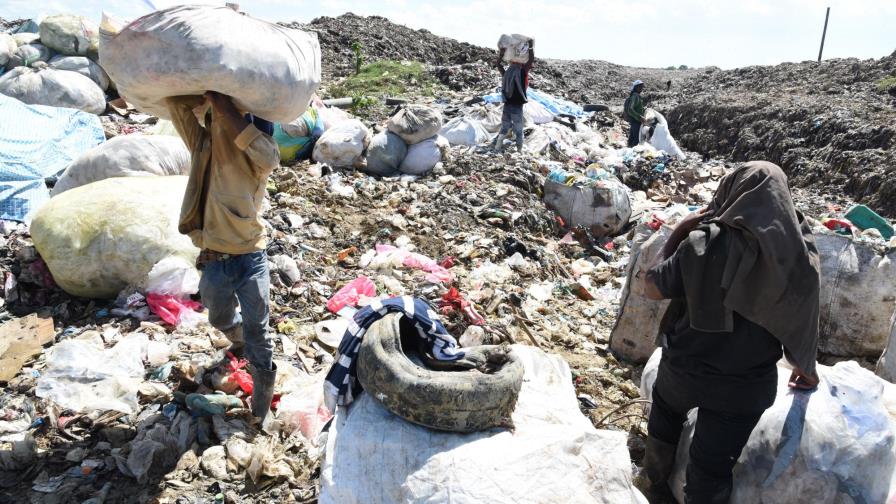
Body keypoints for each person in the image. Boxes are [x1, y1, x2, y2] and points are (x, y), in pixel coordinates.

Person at [635, 161, 821, 503]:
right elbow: (801, 319)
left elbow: (650, 286)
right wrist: (805, 368)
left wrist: (679, 229)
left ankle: (654, 485)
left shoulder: (703, 242)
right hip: (743, 388)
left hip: (684, 371)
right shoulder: (797, 254)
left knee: (665, 415)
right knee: (711, 472)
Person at [166, 91, 280, 421]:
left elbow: (268, 155)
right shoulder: (203, 146)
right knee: (219, 318)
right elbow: (175, 104)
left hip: (250, 258)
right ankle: (239, 338)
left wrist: (225, 104)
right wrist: (208, 93)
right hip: (214, 257)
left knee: (260, 333)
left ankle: (260, 409)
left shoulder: (260, 158)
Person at [493, 38, 534, 153]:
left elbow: (498, 65)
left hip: (507, 105)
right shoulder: (522, 71)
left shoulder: (507, 73)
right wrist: (530, 47)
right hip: (517, 107)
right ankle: (519, 150)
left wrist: (501, 54)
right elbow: (530, 60)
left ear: (511, 62)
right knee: (519, 130)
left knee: (504, 127)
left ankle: (498, 146)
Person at [624, 80, 646, 148]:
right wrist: (640, 117)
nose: (641, 88)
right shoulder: (635, 96)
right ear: (635, 88)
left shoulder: (636, 96)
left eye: (642, 86)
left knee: (631, 139)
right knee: (636, 140)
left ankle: (628, 149)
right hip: (636, 121)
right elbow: (630, 109)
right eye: (639, 87)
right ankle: (632, 151)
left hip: (635, 121)